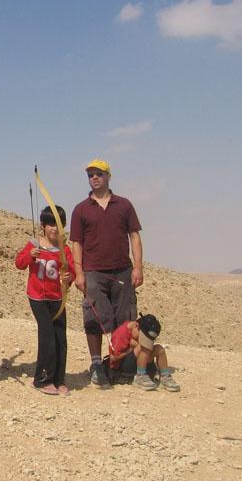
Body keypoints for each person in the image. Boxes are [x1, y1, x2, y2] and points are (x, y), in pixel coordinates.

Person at [70, 159, 143, 388]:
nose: (94, 177)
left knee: (125, 319)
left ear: (108, 176)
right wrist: (79, 273)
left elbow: (134, 236)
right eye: (90, 174)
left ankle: (122, 365)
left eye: (98, 173)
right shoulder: (81, 209)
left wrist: (138, 267)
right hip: (93, 272)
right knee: (94, 317)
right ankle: (96, 365)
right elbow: (76, 243)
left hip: (122, 270)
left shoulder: (124, 205)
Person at [15, 206, 75, 395]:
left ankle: (59, 379)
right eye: (50, 224)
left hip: (57, 298)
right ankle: (42, 380)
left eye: (58, 225)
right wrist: (29, 256)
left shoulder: (64, 249)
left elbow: (70, 271)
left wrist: (68, 278)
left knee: (60, 337)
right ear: (43, 226)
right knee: (47, 335)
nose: (54, 229)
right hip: (38, 298)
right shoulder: (34, 243)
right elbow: (19, 263)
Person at [107, 314, 180, 391]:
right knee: (142, 347)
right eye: (142, 337)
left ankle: (165, 376)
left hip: (140, 364)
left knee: (159, 348)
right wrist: (130, 349)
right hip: (124, 369)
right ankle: (140, 376)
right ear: (136, 326)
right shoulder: (121, 335)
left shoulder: (135, 330)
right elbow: (113, 358)